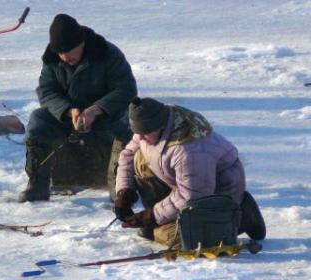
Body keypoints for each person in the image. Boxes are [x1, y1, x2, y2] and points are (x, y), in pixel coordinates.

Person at [114, 97, 266, 247]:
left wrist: (151, 217)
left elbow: (192, 194)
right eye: (137, 131)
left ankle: (241, 218)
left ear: (159, 127)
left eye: (144, 132)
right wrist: (124, 193)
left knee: (173, 238)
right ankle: (163, 218)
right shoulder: (150, 125)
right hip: (184, 183)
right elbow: (127, 155)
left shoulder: (190, 150)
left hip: (214, 193)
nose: (140, 137)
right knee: (139, 157)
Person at [19, 14, 137, 202]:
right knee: (38, 120)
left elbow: (126, 90)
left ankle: (120, 186)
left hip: (105, 117)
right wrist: (68, 110)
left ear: (82, 43)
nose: (66, 58)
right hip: (68, 118)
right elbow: (46, 91)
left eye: (70, 51)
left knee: (126, 124)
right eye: (61, 53)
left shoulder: (108, 53)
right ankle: (37, 183)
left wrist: (96, 109)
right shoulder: (52, 59)